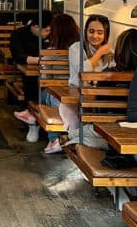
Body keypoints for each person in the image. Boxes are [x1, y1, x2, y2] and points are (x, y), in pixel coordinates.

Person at [46, 14, 113, 154]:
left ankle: (68, 142)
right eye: (91, 31)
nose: (95, 36)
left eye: (100, 33)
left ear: (106, 34)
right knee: (81, 124)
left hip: (98, 102)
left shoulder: (111, 55)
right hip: (75, 99)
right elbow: (83, 72)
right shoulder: (76, 48)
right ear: (85, 31)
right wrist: (100, 52)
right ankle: (72, 145)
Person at [41, 13, 81, 153]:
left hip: (56, 96)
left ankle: (53, 139)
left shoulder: (50, 53)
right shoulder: (81, 51)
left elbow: (45, 78)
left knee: (44, 94)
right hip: (77, 96)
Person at [10, 9, 53, 141]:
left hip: (51, 72)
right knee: (31, 79)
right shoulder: (19, 34)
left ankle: (34, 117)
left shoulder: (52, 36)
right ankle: (33, 123)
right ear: (35, 27)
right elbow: (18, 56)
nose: (48, 33)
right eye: (45, 30)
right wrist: (40, 60)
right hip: (30, 73)